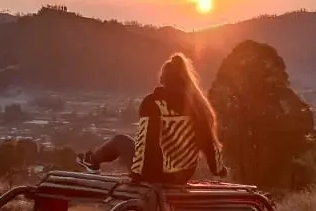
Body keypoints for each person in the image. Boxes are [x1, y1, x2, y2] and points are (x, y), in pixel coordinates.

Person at [77, 53, 227, 184]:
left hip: (154, 175)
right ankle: (92, 160)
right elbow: (209, 144)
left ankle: (92, 161)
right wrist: (218, 170)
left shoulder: (153, 102)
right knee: (124, 141)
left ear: (162, 80)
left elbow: (146, 141)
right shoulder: (197, 107)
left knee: (119, 140)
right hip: (182, 176)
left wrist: (137, 174)